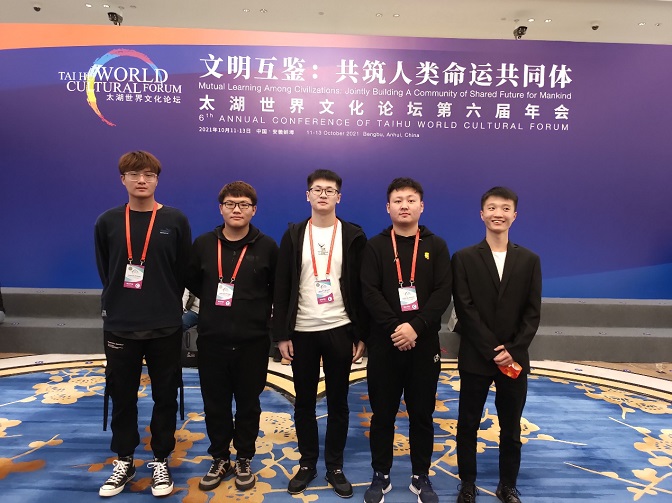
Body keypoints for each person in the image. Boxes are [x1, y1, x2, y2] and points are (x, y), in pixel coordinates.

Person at [94, 151, 191, 498]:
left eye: (149, 174)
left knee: (165, 395)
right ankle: (125, 459)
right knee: (122, 396)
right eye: (134, 174)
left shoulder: (175, 220)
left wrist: (164, 303)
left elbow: (182, 270)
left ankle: (161, 459)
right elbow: (106, 269)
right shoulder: (107, 221)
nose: (141, 180)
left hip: (165, 324)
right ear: (123, 179)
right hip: (121, 324)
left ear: (157, 180)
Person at [272, 169, 367, 498]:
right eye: (317, 189)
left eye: (329, 190)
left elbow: (361, 288)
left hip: (340, 328)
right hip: (302, 331)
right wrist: (281, 334)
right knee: (304, 403)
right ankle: (308, 463)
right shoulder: (294, 234)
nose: (323, 194)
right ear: (308, 195)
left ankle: (335, 466)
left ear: (339, 196)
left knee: (339, 402)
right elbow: (282, 286)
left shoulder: (353, 235)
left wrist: (362, 333)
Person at [361, 177, 452, 503]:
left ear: (421, 206)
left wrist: (415, 327)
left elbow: (443, 292)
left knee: (422, 414)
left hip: (423, 344)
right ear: (388, 207)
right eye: (398, 200)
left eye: (411, 200)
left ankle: (420, 475)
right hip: (385, 344)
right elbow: (369, 291)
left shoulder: (436, 246)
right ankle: (381, 474)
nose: (404, 206)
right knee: (382, 415)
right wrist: (397, 328)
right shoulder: (375, 246)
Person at [185, 181, 278, 492]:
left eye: (244, 204)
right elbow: (195, 282)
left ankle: (245, 458)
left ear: (254, 210)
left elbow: (276, 289)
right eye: (230, 204)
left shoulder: (267, 247)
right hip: (212, 340)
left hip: (253, 342)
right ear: (221, 208)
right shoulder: (203, 244)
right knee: (216, 405)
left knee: (249, 405)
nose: (237, 209)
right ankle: (220, 457)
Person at [452, 187, 542, 503]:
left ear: (514, 215)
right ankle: (467, 484)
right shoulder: (463, 258)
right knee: (467, 425)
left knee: (511, 428)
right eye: (491, 208)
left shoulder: (529, 260)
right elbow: (465, 308)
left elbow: (532, 313)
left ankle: (508, 485)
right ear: (482, 214)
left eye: (505, 208)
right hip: (476, 357)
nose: (498, 214)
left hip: (514, 359)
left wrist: (512, 350)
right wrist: (494, 350)